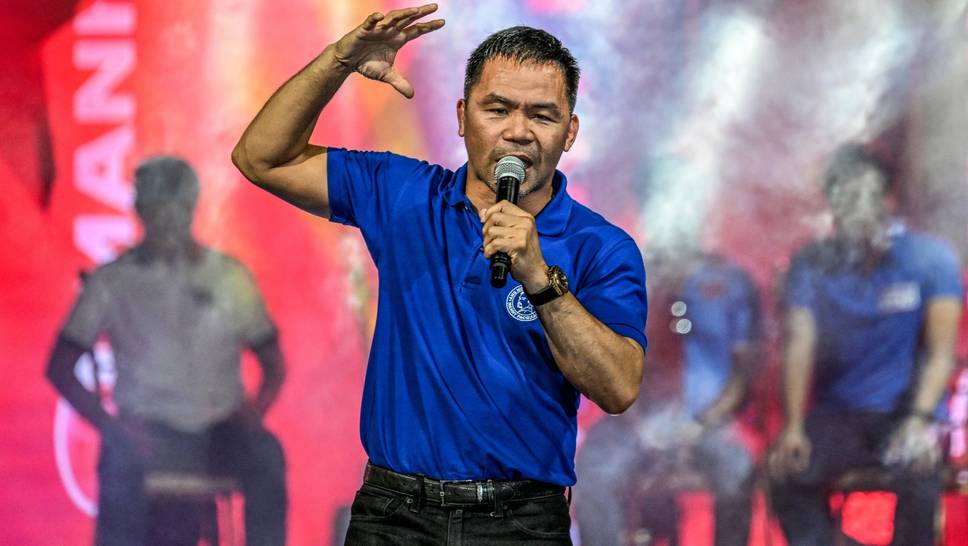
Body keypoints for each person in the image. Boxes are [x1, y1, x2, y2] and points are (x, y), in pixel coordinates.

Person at [231, 4, 648, 544]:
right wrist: (340, 60)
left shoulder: (601, 246)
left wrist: (539, 276)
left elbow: (618, 388)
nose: (518, 132)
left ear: (570, 132)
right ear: (461, 116)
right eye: (497, 109)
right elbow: (261, 157)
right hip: (394, 514)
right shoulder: (403, 194)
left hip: (521, 520)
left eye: (542, 116)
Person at [46, 156, 288, 546]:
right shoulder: (112, 281)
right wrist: (109, 425)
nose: (167, 220)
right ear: (140, 210)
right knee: (119, 457)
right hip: (145, 434)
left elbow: (273, 361)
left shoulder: (229, 277)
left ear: (192, 208)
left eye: (176, 208)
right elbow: (60, 365)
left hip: (220, 433)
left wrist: (254, 413)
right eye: (156, 208)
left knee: (265, 453)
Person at [768, 144, 964, 546]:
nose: (855, 207)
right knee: (785, 474)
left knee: (917, 475)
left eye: (865, 194)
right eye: (843, 195)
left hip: (908, 413)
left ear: (888, 199)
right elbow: (799, 344)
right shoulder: (813, 263)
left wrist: (919, 420)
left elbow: (940, 353)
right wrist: (793, 427)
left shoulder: (931, 258)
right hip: (839, 416)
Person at [575, 250, 760, 546]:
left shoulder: (731, 283)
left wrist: (703, 423)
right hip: (635, 419)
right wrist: (639, 424)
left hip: (710, 420)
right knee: (594, 469)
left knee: (738, 467)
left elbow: (743, 370)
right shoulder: (625, 281)